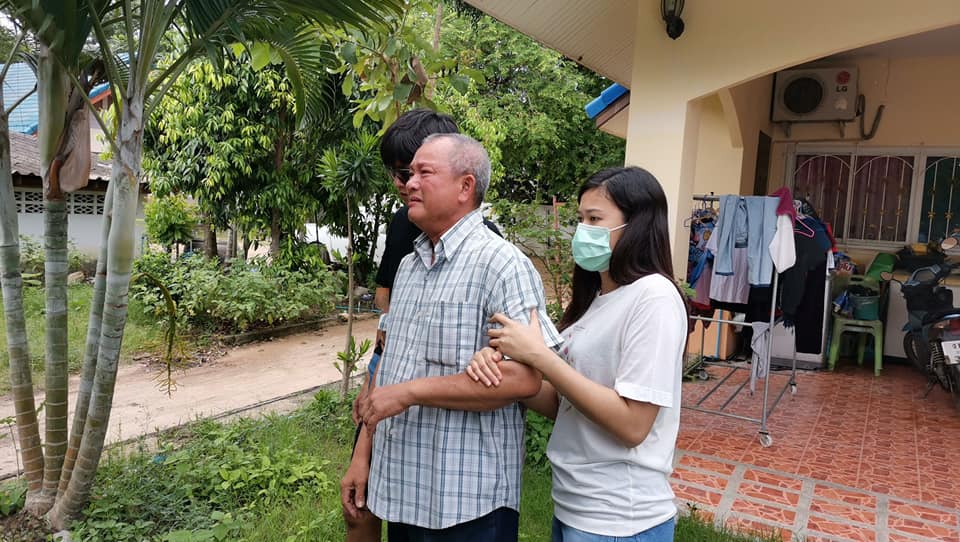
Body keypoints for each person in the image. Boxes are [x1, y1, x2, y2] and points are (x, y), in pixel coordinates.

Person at [343, 133, 562, 541]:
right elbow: (390, 367)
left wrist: (410, 392)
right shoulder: (409, 267)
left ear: (465, 186)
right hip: (402, 488)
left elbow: (524, 378)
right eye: (409, 173)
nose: (409, 183)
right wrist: (363, 456)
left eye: (424, 173)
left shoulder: (502, 265)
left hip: (466, 501)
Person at [466, 166, 688, 542]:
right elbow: (565, 404)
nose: (582, 230)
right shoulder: (597, 300)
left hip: (621, 518)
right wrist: (502, 371)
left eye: (594, 219)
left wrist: (541, 357)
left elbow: (633, 425)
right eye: (580, 219)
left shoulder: (654, 298)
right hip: (576, 505)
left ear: (636, 224)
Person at [345, 109, 502, 541]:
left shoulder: (490, 252)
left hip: (454, 458)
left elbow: (518, 369)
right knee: (361, 506)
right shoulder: (408, 231)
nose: (405, 183)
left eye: (415, 171)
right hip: (391, 390)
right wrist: (374, 379)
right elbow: (389, 317)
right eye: (400, 173)